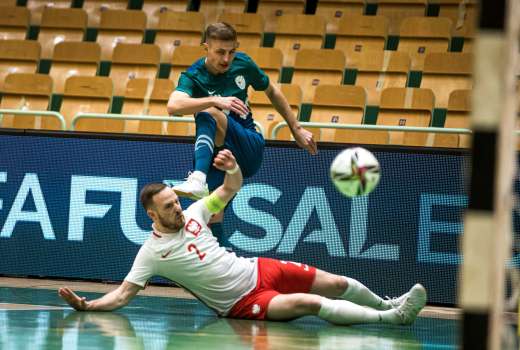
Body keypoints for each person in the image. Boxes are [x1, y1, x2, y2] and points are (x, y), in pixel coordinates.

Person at [58, 149, 427, 326]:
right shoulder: (152, 253)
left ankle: (386, 303)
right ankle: (392, 320)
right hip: (241, 302)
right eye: (169, 206)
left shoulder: (197, 212)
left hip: (258, 268)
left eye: (176, 200)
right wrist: (87, 306)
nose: (178, 208)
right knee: (309, 303)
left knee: (335, 282)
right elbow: (123, 294)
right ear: (152, 215)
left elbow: (230, 188)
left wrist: (232, 168)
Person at [166, 22, 317, 202]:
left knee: (206, 111)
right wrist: (215, 99)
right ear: (206, 48)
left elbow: (272, 91)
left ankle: (198, 178)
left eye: (232, 52)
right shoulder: (194, 75)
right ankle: (201, 187)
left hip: (247, 146)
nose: (226, 59)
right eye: (220, 52)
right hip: (219, 156)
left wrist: (296, 128)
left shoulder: (243, 64)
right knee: (210, 212)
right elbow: (173, 106)